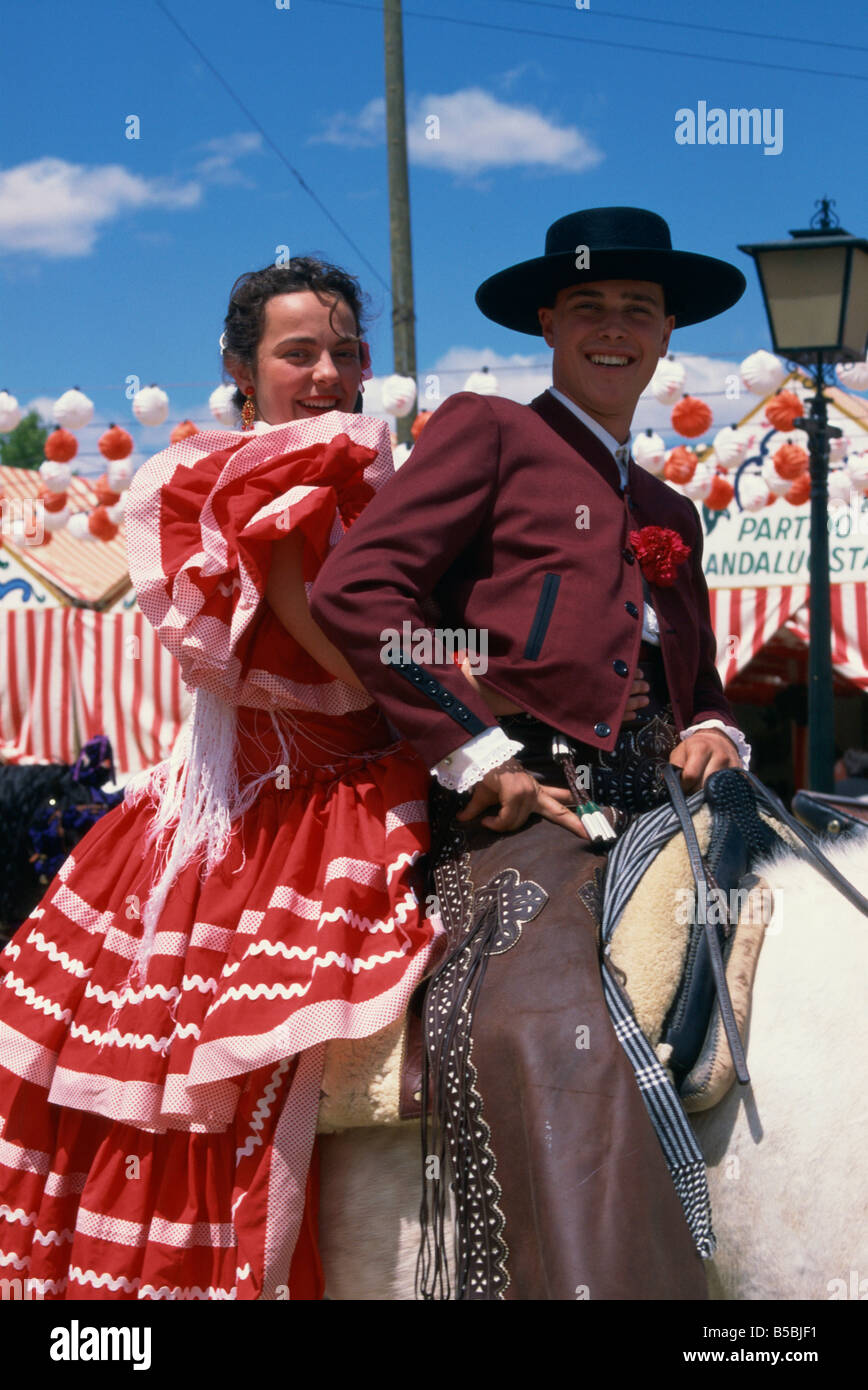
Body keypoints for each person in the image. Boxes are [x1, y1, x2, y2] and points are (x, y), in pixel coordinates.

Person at [310, 207, 752, 1300]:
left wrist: (712, 725)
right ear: (549, 324)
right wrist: (479, 753)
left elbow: (700, 684)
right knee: (557, 1026)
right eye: (590, 308)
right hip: (537, 811)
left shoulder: (670, 510)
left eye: (637, 311)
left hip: (681, 805)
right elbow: (358, 594)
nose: (614, 328)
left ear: (665, 335)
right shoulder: (488, 431)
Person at [0, 256, 444, 1300]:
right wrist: (474, 721)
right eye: (299, 353)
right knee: (212, 1073)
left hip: (330, 781)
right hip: (289, 810)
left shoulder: (372, 476)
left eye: (345, 352)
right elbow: (344, 647)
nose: (328, 372)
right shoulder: (269, 479)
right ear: (242, 367)